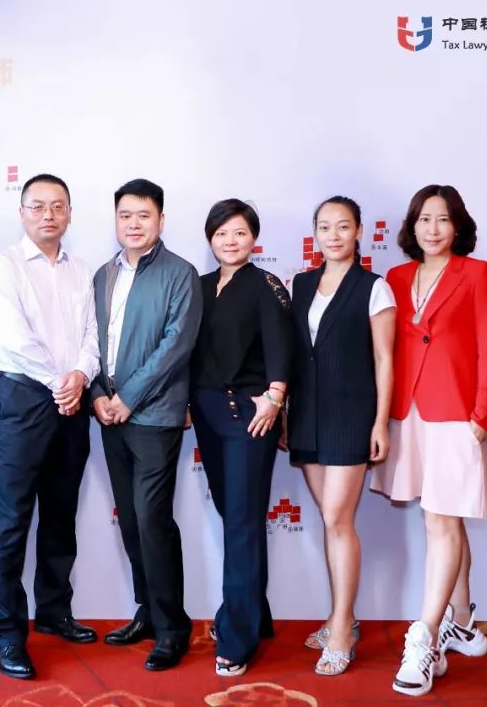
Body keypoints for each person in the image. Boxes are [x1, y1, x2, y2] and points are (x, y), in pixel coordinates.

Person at [370, 184, 487, 697]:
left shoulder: (478, 274)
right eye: (424, 219)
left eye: (443, 219)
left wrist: (483, 416)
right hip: (409, 414)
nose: (433, 229)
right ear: (412, 226)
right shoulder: (396, 278)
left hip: (456, 415)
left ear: (458, 226)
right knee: (444, 516)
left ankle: (424, 636)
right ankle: (463, 621)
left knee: (441, 521)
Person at [0, 173, 101, 680]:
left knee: (60, 513)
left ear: (70, 213)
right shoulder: (4, 266)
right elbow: (14, 337)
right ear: (22, 212)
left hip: (72, 396)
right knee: (11, 521)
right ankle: (7, 634)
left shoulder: (81, 269)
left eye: (58, 206)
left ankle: (54, 611)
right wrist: (61, 382)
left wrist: (81, 376)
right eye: (38, 206)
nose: (48, 214)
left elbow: (93, 333)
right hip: (26, 398)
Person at [91, 179, 201, 671]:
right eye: (125, 215)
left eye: (143, 215)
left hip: (154, 416)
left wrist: (128, 399)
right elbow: (88, 340)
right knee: (132, 521)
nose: (133, 224)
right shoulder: (102, 275)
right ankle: (148, 612)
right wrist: (98, 395)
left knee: (153, 519)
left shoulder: (181, 274)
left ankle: (173, 626)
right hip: (108, 414)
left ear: (160, 220)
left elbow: (176, 345)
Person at [286, 196, 396, 676]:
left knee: (337, 519)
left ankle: (340, 632)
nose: (333, 235)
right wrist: (285, 412)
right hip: (307, 413)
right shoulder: (300, 284)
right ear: (315, 233)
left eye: (343, 226)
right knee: (330, 521)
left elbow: (385, 360)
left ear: (359, 233)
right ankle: (342, 618)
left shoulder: (374, 287)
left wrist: (380, 422)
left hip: (352, 414)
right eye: (325, 227)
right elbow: (294, 353)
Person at [190, 198, 293, 678]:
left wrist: (275, 399)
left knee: (243, 523)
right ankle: (256, 615)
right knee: (235, 515)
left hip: (250, 415)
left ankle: (237, 637)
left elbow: (281, 346)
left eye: (239, 232)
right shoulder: (201, 286)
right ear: (210, 239)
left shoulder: (265, 284)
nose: (230, 241)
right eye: (221, 233)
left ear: (254, 238)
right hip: (207, 414)